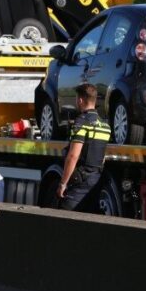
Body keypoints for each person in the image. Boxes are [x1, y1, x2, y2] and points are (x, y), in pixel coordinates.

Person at [57, 83, 112, 211]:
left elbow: (73, 156)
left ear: (80, 100)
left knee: (63, 218)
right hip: (96, 181)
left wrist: (63, 184)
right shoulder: (105, 126)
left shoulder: (82, 122)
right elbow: (102, 157)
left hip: (81, 181)